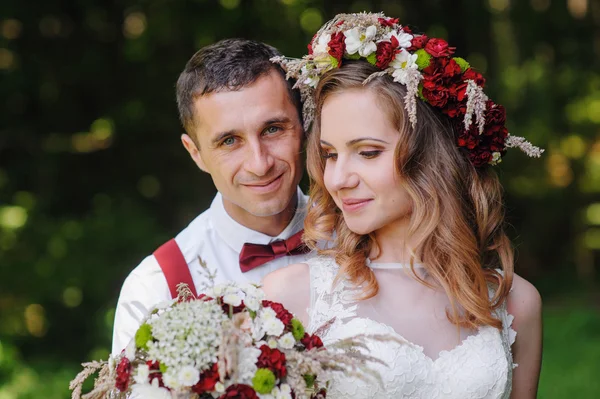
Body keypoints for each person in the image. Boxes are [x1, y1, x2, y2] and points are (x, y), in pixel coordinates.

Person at [263, 12, 543, 398]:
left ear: (430, 158)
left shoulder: (516, 302)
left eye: (367, 152)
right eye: (330, 154)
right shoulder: (292, 296)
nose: (339, 178)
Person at [112, 38, 311, 355]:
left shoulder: (368, 237)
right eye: (230, 141)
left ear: (302, 126)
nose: (260, 164)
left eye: (273, 129)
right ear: (196, 154)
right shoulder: (155, 287)